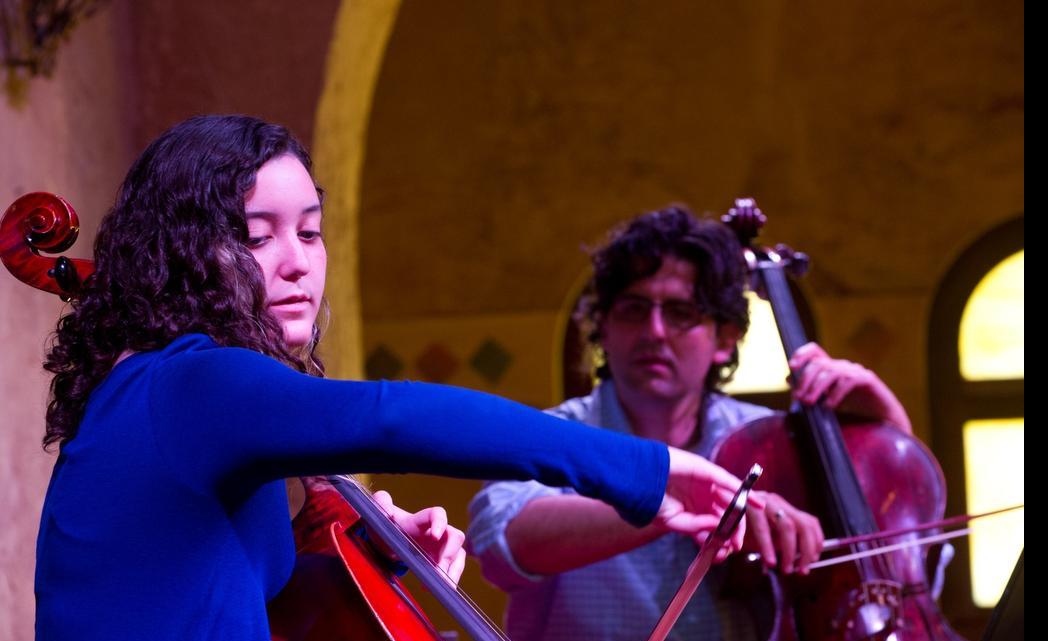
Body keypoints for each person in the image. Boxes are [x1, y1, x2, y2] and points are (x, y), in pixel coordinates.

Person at [31, 116, 761, 641]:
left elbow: (241, 610)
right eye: (258, 235)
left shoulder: (184, 407)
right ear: (186, 253)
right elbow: (392, 416)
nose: (297, 262)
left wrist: (376, 558)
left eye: (310, 231)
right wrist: (642, 466)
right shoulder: (192, 387)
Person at [468, 205, 914, 641]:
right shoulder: (554, 436)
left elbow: (892, 558)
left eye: (681, 314)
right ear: (602, 326)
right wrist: (673, 502)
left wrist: (884, 421)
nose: (655, 331)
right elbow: (501, 542)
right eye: (633, 309)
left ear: (725, 338)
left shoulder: (771, 442)